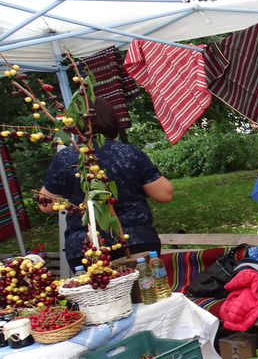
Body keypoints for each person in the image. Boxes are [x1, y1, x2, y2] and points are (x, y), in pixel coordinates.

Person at [37, 98, 174, 269]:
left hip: (86, 250)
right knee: (146, 293)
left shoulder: (65, 159)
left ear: (75, 123)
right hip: (136, 241)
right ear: (112, 120)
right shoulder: (129, 154)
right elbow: (164, 194)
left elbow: (46, 205)